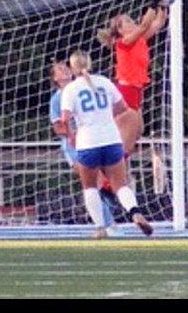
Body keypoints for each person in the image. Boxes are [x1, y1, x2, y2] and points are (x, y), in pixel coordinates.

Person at [60, 50, 153, 239]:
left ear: (72, 68)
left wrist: (71, 136)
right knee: (120, 185)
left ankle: (100, 227)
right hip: (111, 140)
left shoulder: (71, 89)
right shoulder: (104, 82)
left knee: (90, 187)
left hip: (88, 142)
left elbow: (65, 119)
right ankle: (134, 212)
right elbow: (122, 108)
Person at [48, 61, 117, 234]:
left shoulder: (81, 89)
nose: (64, 69)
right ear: (55, 78)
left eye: (66, 67)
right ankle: (107, 224)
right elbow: (58, 128)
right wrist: (73, 134)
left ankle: (108, 221)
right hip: (74, 146)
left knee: (105, 181)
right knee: (93, 182)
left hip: (94, 141)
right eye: (59, 69)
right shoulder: (57, 98)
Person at [98, 0, 169, 156]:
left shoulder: (139, 39)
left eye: (131, 19)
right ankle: (110, 176)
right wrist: (153, 2)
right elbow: (144, 25)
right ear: (120, 30)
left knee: (137, 132)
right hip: (126, 90)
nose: (132, 22)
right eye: (127, 22)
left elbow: (159, 22)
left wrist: (162, 5)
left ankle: (113, 171)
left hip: (136, 90)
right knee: (127, 140)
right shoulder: (124, 42)